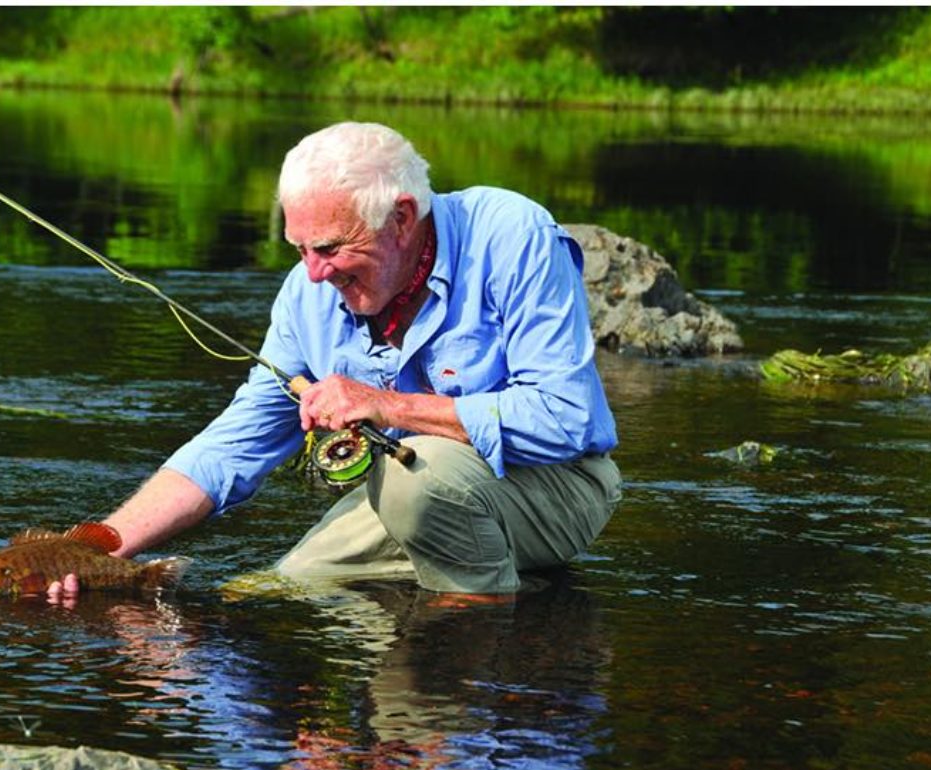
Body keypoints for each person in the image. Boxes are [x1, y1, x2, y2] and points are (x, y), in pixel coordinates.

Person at [49, 121, 620, 600]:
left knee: (410, 481)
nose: (314, 272)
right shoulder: (308, 293)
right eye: (299, 249)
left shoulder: (511, 236)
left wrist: (386, 405)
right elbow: (232, 446)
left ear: (401, 218)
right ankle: (513, 596)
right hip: (419, 489)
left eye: (328, 248)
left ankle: (471, 657)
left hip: (558, 484)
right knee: (284, 588)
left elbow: (566, 419)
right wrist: (96, 547)